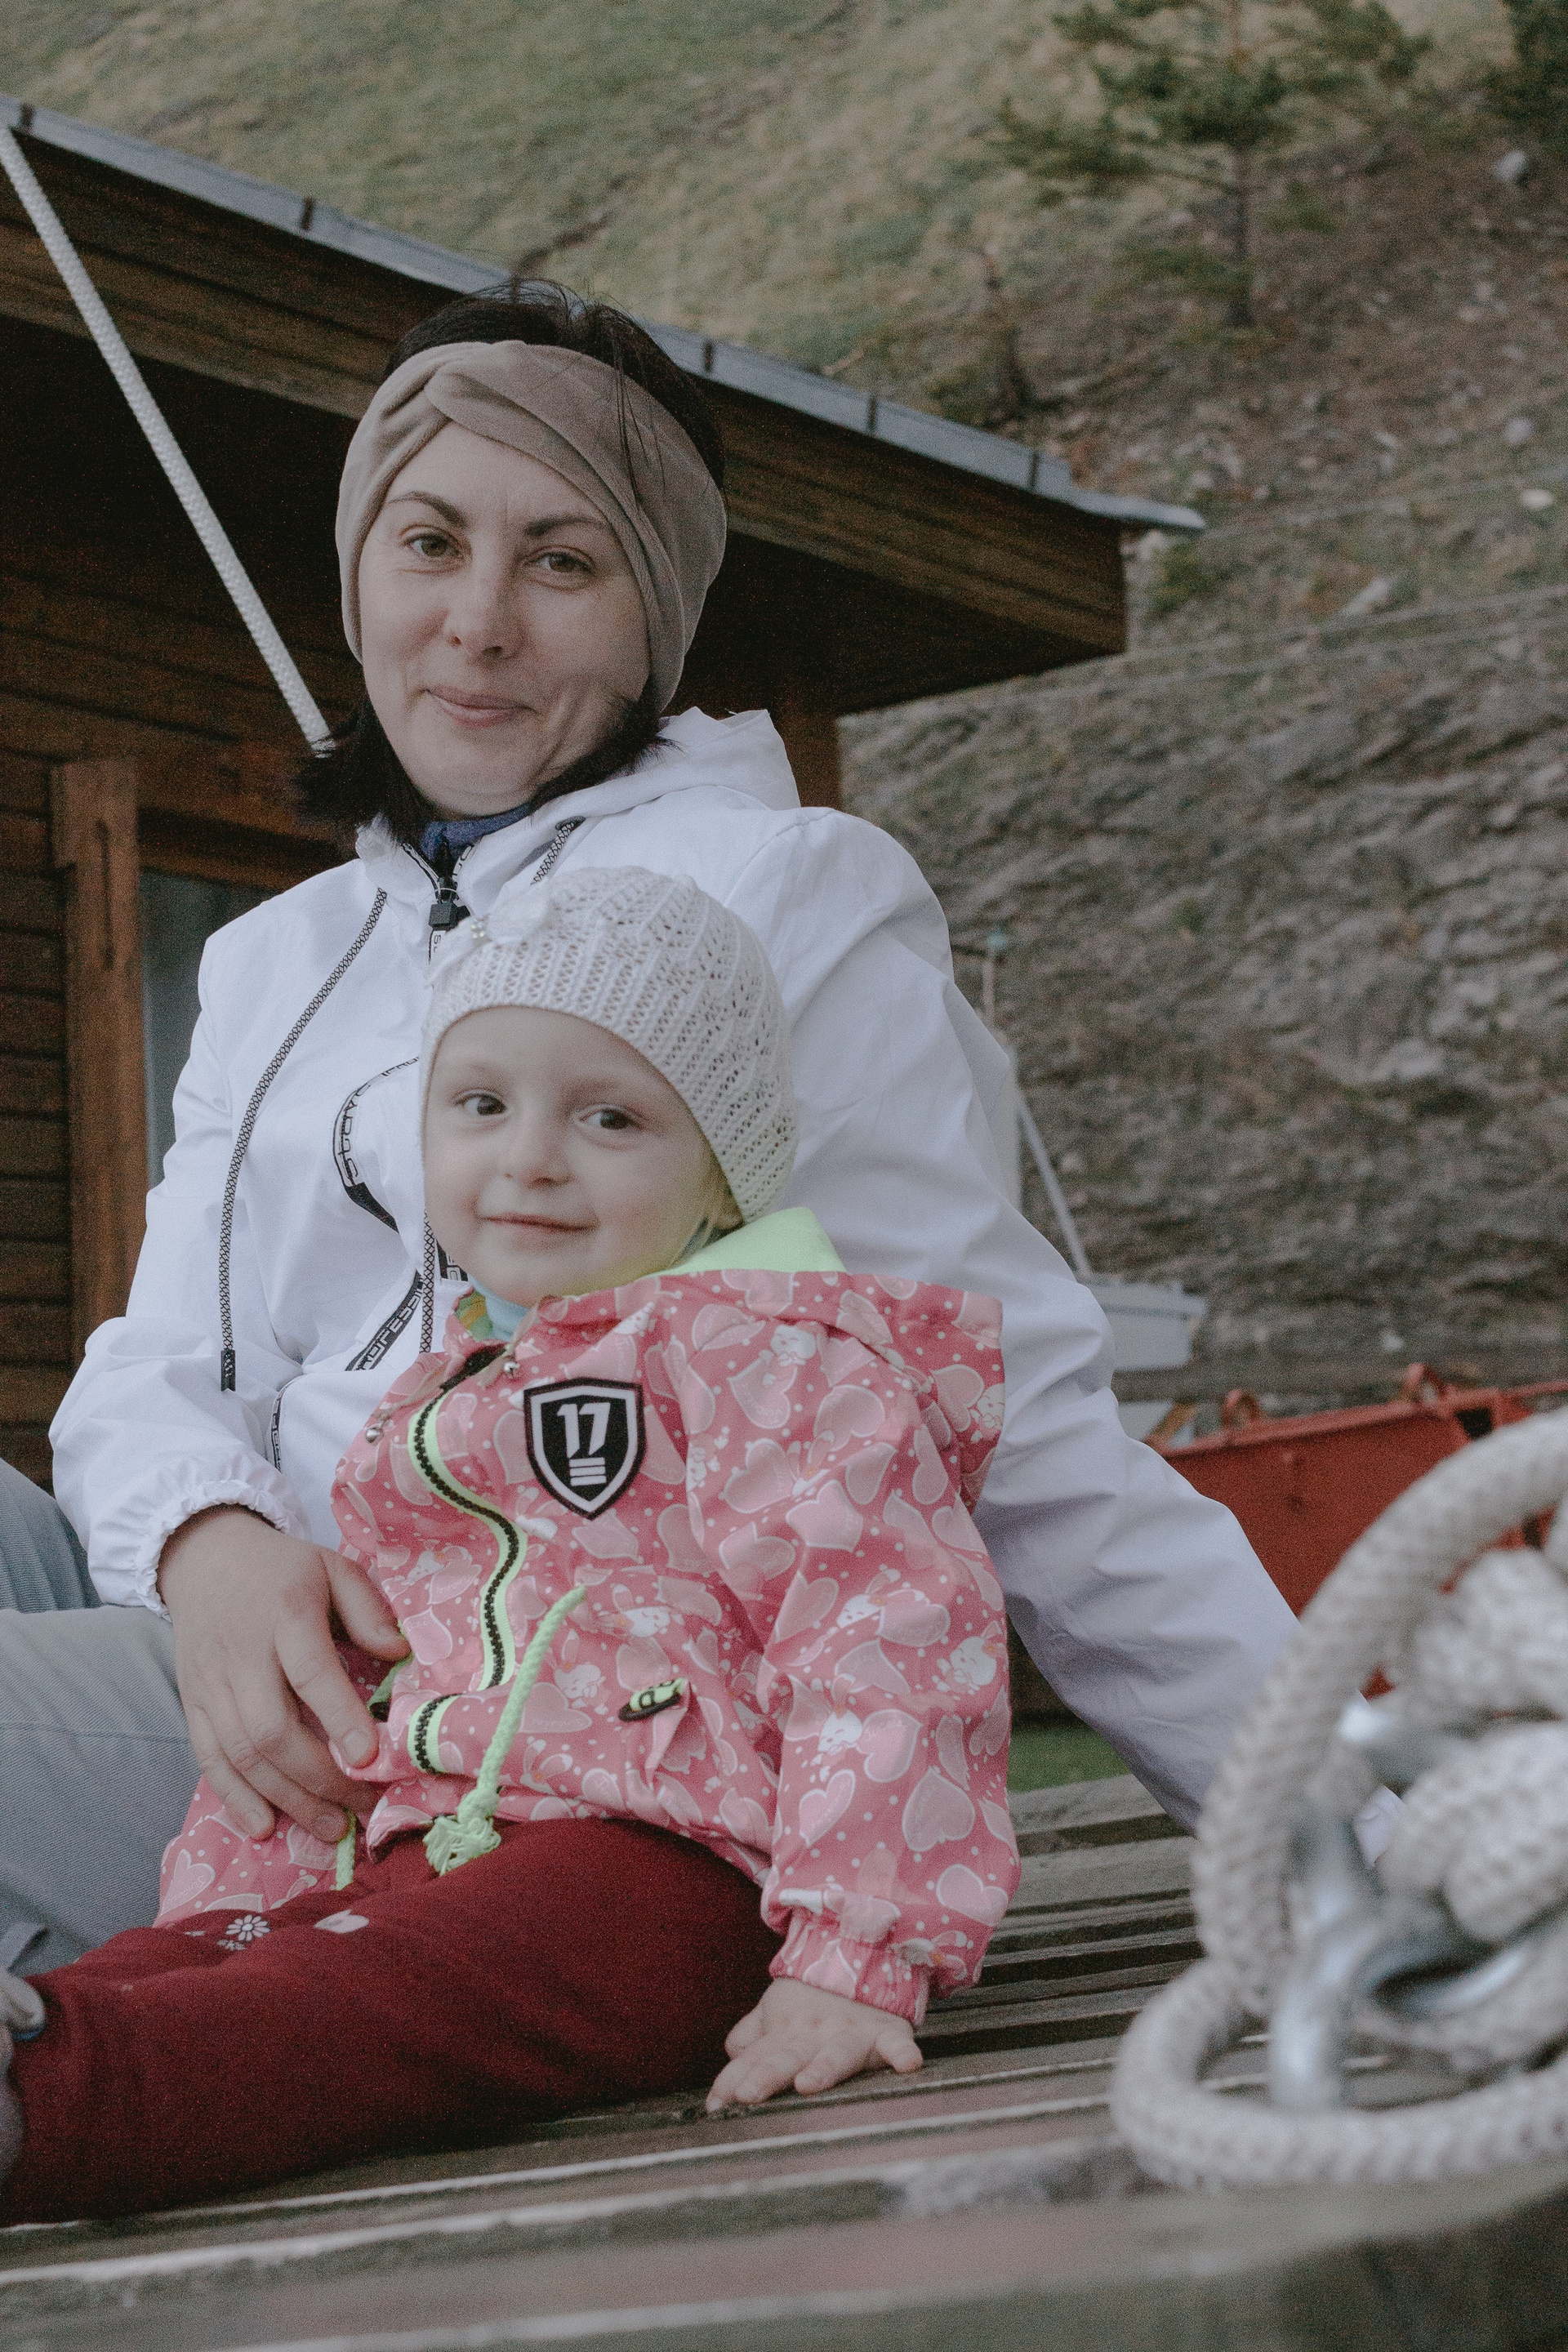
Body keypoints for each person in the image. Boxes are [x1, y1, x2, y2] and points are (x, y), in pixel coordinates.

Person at [4, 278, 1292, 1979]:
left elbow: (1020, 1423)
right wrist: (206, 1541)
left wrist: (1355, 1838)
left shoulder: (776, 897)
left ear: (654, 621)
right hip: (245, 1623)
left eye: (562, 562)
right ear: (359, 573)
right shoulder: (276, 959)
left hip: (498, 1707)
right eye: (430, 543)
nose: (476, 623)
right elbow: (155, 1365)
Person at [0, 870, 1017, 2221]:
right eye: (480, 1105)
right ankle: (58, 2023)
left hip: (684, 1868)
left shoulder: (772, 1362)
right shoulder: (448, 1396)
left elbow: (889, 1641)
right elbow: (391, 1678)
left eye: (610, 1117)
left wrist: (853, 1957)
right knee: (216, 1956)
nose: (530, 1156)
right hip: (444, 1843)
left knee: (366, 1999)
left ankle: (54, 2100)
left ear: (723, 1171)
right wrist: (227, 1894)